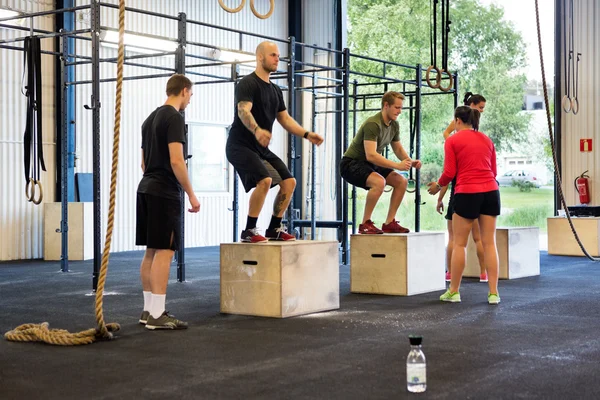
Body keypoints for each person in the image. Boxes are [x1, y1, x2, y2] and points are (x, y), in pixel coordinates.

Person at [226, 41, 324, 243]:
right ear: (260, 57)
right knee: (265, 180)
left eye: (278, 56)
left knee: (289, 182)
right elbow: (243, 110)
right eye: (273, 55)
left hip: (260, 149)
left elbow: (285, 119)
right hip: (240, 145)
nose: (277, 59)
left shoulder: (276, 91)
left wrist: (307, 134)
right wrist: (257, 130)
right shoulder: (248, 83)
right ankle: (249, 230)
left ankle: (274, 229)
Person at [136, 74, 200, 330]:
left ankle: (149, 310)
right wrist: (191, 194)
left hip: (146, 188)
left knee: (152, 249)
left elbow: (143, 163)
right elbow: (177, 161)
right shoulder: (174, 118)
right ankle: (158, 315)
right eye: (191, 95)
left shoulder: (148, 119)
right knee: (165, 250)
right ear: (184, 91)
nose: (190, 99)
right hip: (164, 191)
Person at [427, 106, 501, 305]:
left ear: (457, 121)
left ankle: (454, 291)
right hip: (491, 192)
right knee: (489, 243)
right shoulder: (487, 140)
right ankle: (493, 293)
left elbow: (450, 172)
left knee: (459, 243)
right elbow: (493, 171)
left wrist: (438, 186)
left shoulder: (452, 140)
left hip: (467, 192)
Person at [340, 91, 422, 234]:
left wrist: (409, 161)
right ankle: (365, 224)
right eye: (397, 107)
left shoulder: (394, 125)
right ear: (386, 105)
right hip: (351, 164)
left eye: (401, 108)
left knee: (401, 182)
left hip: (369, 164)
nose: (400, 111)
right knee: (379, 182)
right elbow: (371, 155)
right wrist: (397, 165)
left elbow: (397, 148)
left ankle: (389, 223)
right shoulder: (373, 124)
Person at [437, 93, 488, 283]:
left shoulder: (471, 130)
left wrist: (439, 196)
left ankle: (456, 274)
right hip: (478, 187)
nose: (481, 111)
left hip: (466, 190)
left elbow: (448, 175)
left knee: (457, 239)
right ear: (472, 105)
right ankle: (482, 273)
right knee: (477, 238)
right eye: (480, 107)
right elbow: (446, 134)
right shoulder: (464, 131)